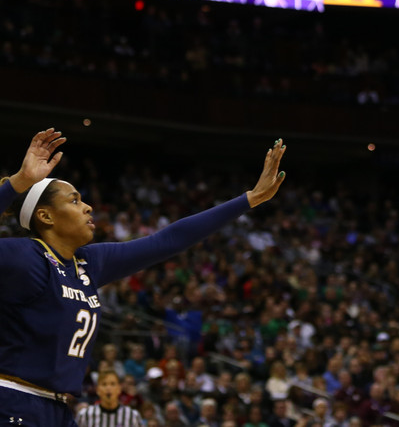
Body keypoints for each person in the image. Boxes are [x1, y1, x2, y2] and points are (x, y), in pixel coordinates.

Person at [0, 128, 287, 427]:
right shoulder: (24, 256)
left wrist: (249, 199)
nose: (87, 207)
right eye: (74, 201)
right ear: (45, 216)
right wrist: (18, 183)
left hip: (57, 409)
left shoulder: (87, 263)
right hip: (13, 401)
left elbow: (169, 240)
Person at [75, 370, 143, 427]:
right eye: (104, 384)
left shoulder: (133, 416)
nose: (108, 388)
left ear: (119, 389)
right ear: (98, 390)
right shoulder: (85, 415)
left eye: (112, 384)